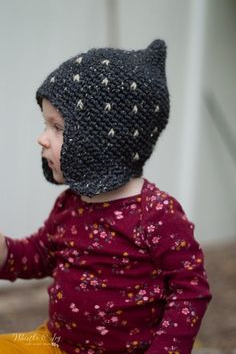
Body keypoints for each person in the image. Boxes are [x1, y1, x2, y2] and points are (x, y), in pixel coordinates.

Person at [0, 40, 211, 354]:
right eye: (45, 124)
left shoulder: (156, 214)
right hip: (56, 343)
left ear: (101, 142)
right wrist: (5, 253)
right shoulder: (70, 203)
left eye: (57, 127)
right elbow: (42, 254)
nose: (42, 138)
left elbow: (189, 290)